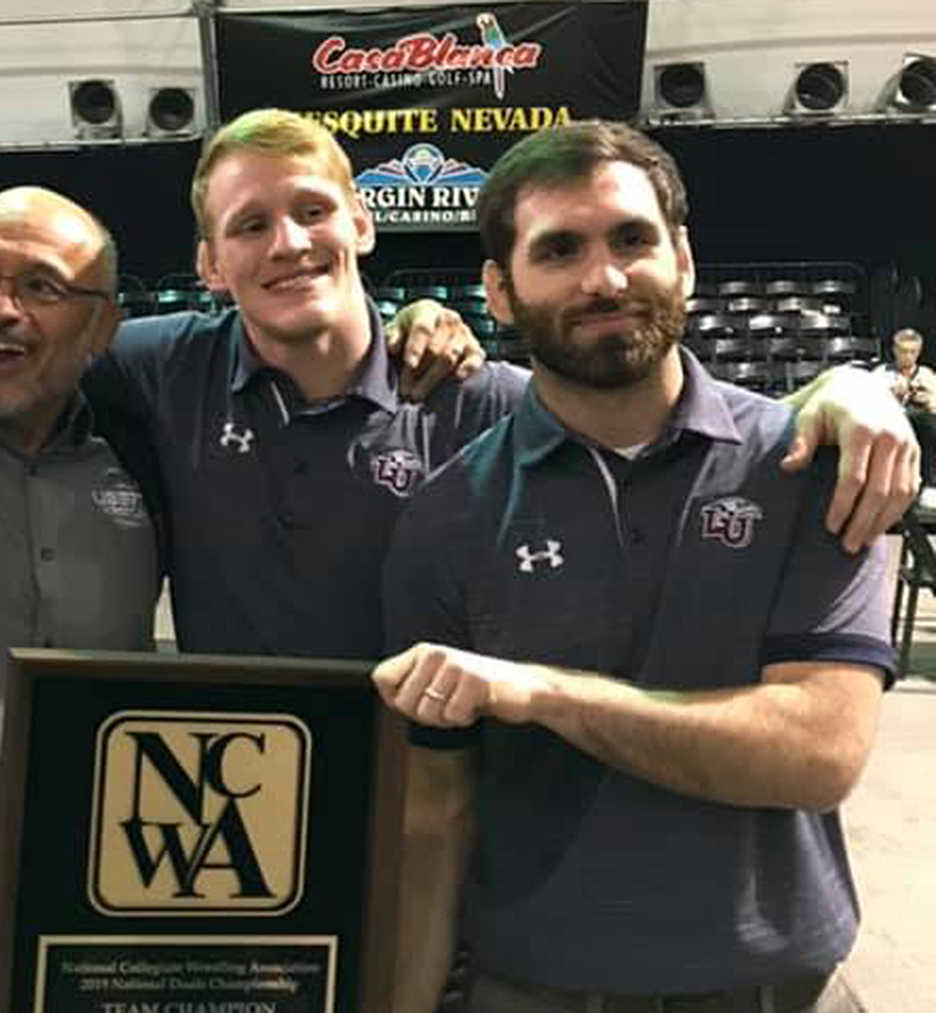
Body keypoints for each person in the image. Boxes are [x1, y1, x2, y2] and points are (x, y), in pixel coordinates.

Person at [0, 112, 915, 1009]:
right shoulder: (69, 383)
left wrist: (841, 387)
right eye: (247, 225)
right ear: (209, 268)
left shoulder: (469, 395)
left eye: (311, 212)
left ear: (365, 225)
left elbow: (636, 379)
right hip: (80, 885)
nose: (4, 309)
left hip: (418, 864)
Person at [374, 120, 894, 1013]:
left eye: (632, 239)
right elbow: (434, 817)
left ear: (683, 259)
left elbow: (817, 752)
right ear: (499, 291)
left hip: (778, 988)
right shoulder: (446, 515)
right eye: (560, 249)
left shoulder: (810, 466)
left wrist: (540, 692)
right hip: (533, 986)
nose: (604, 278)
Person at [875, 326, 936, 506]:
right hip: (891, 422)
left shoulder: (927, 375)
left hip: (922, 423)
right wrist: (892, 397)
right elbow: (869, 405)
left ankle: (928, 485)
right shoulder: (881, 374)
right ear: (894, 350)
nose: (908, 356)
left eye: (912, 352)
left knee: (929, 424)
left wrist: (927, 400)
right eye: (903, 351)